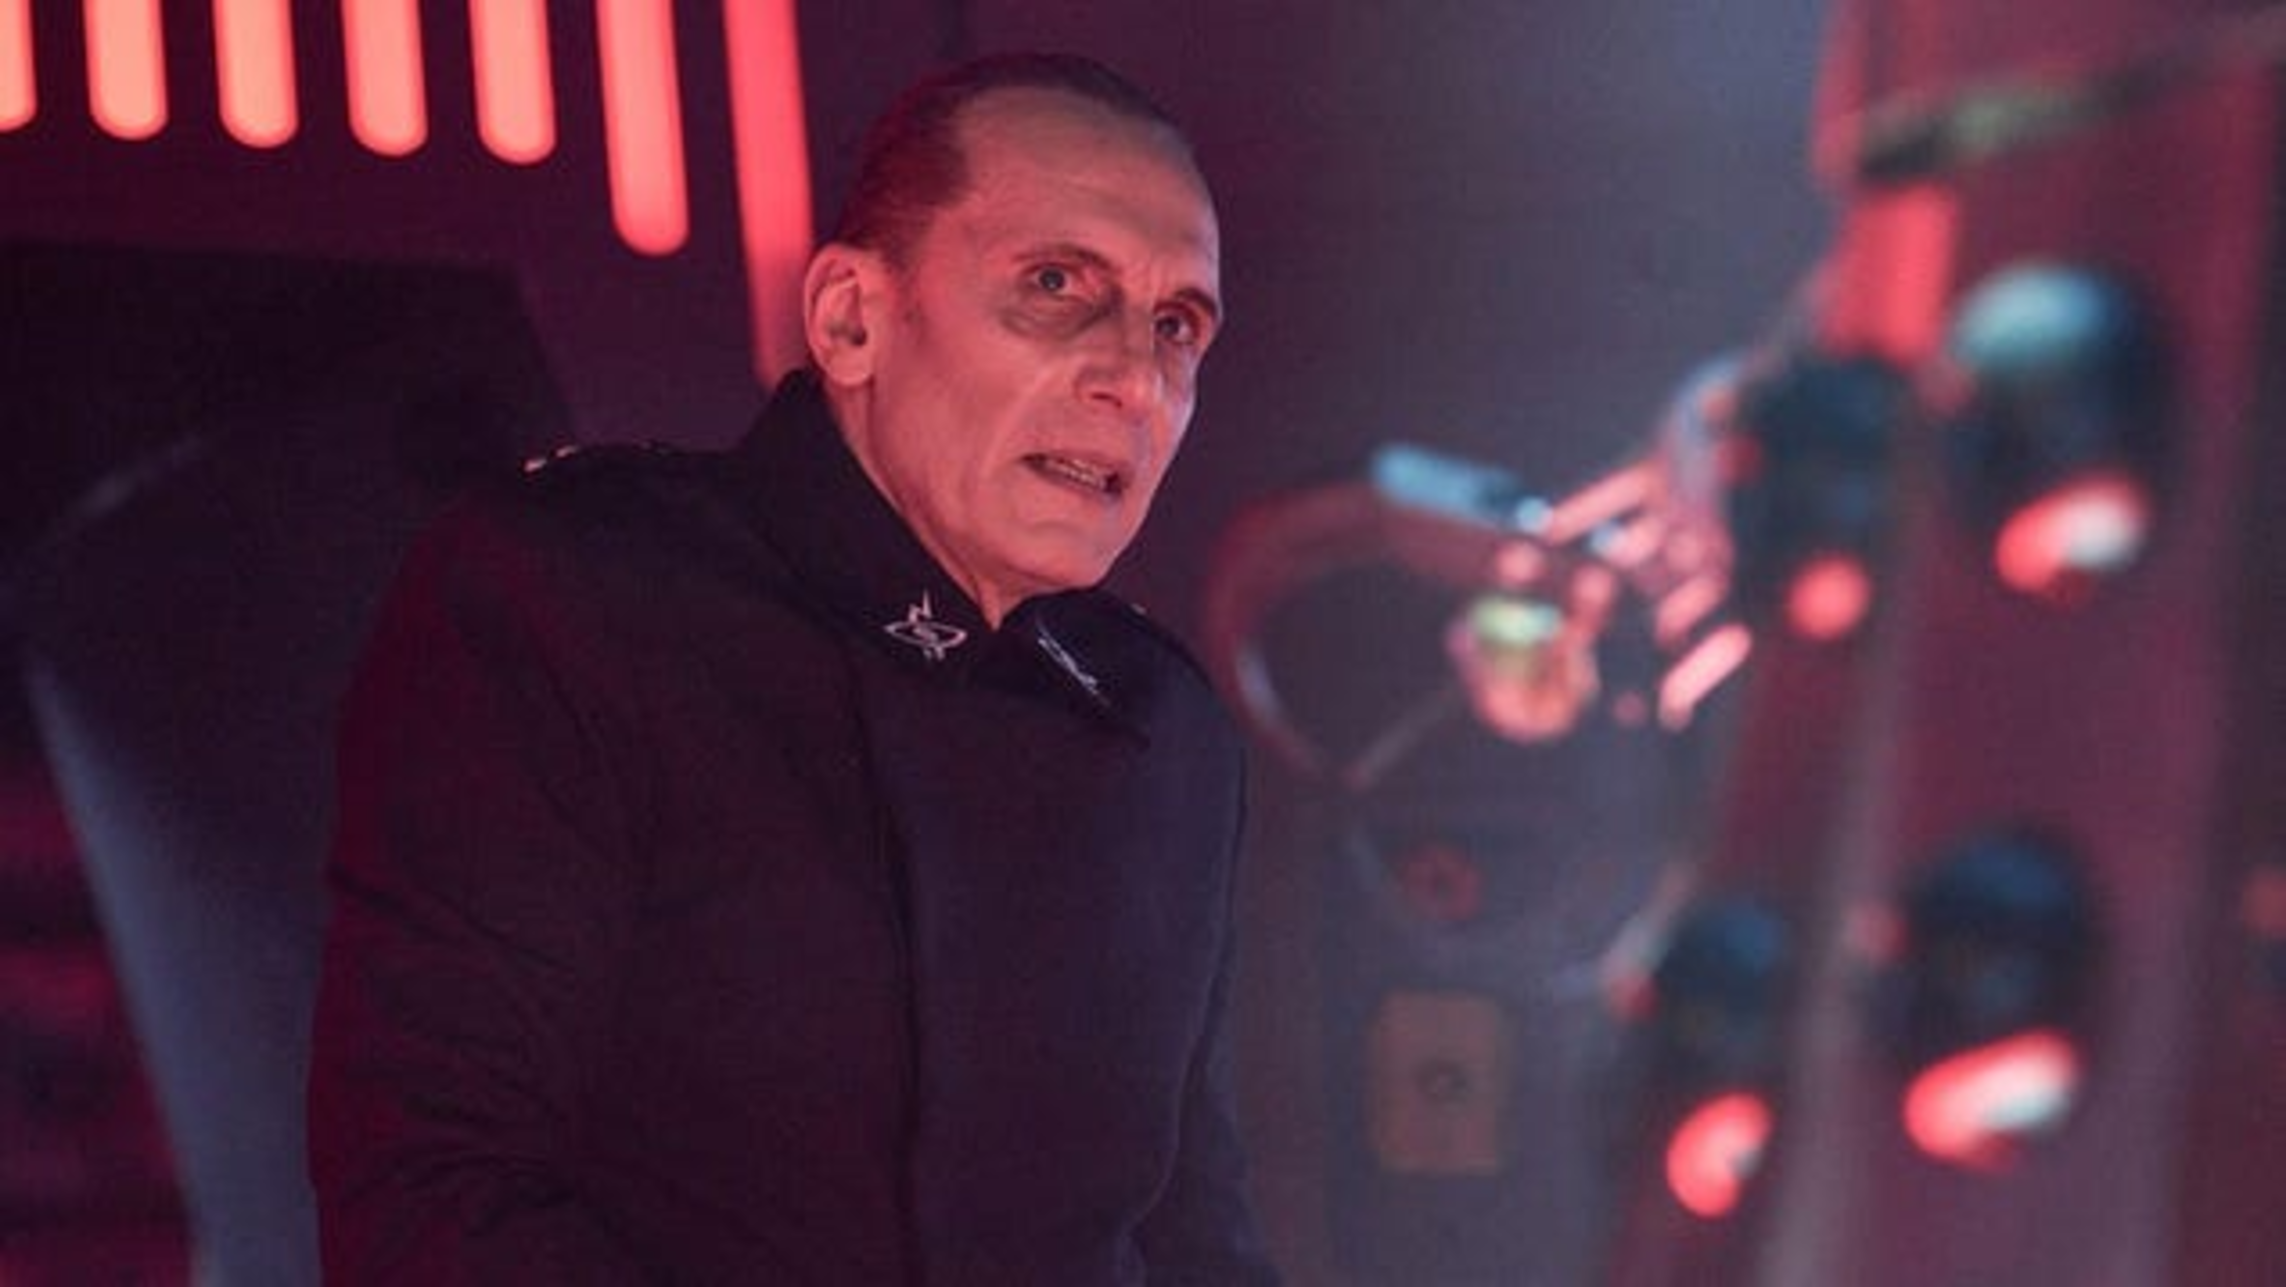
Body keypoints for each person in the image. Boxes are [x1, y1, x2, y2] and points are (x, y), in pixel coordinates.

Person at [306, 52, 1279, 1285]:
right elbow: (431, 1200)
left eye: (1176, 325)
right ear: (850, 319)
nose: (1133, 377)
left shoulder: (1162, 726)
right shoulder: (579, 597)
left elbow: (1191, 1236)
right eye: (1054, 285)